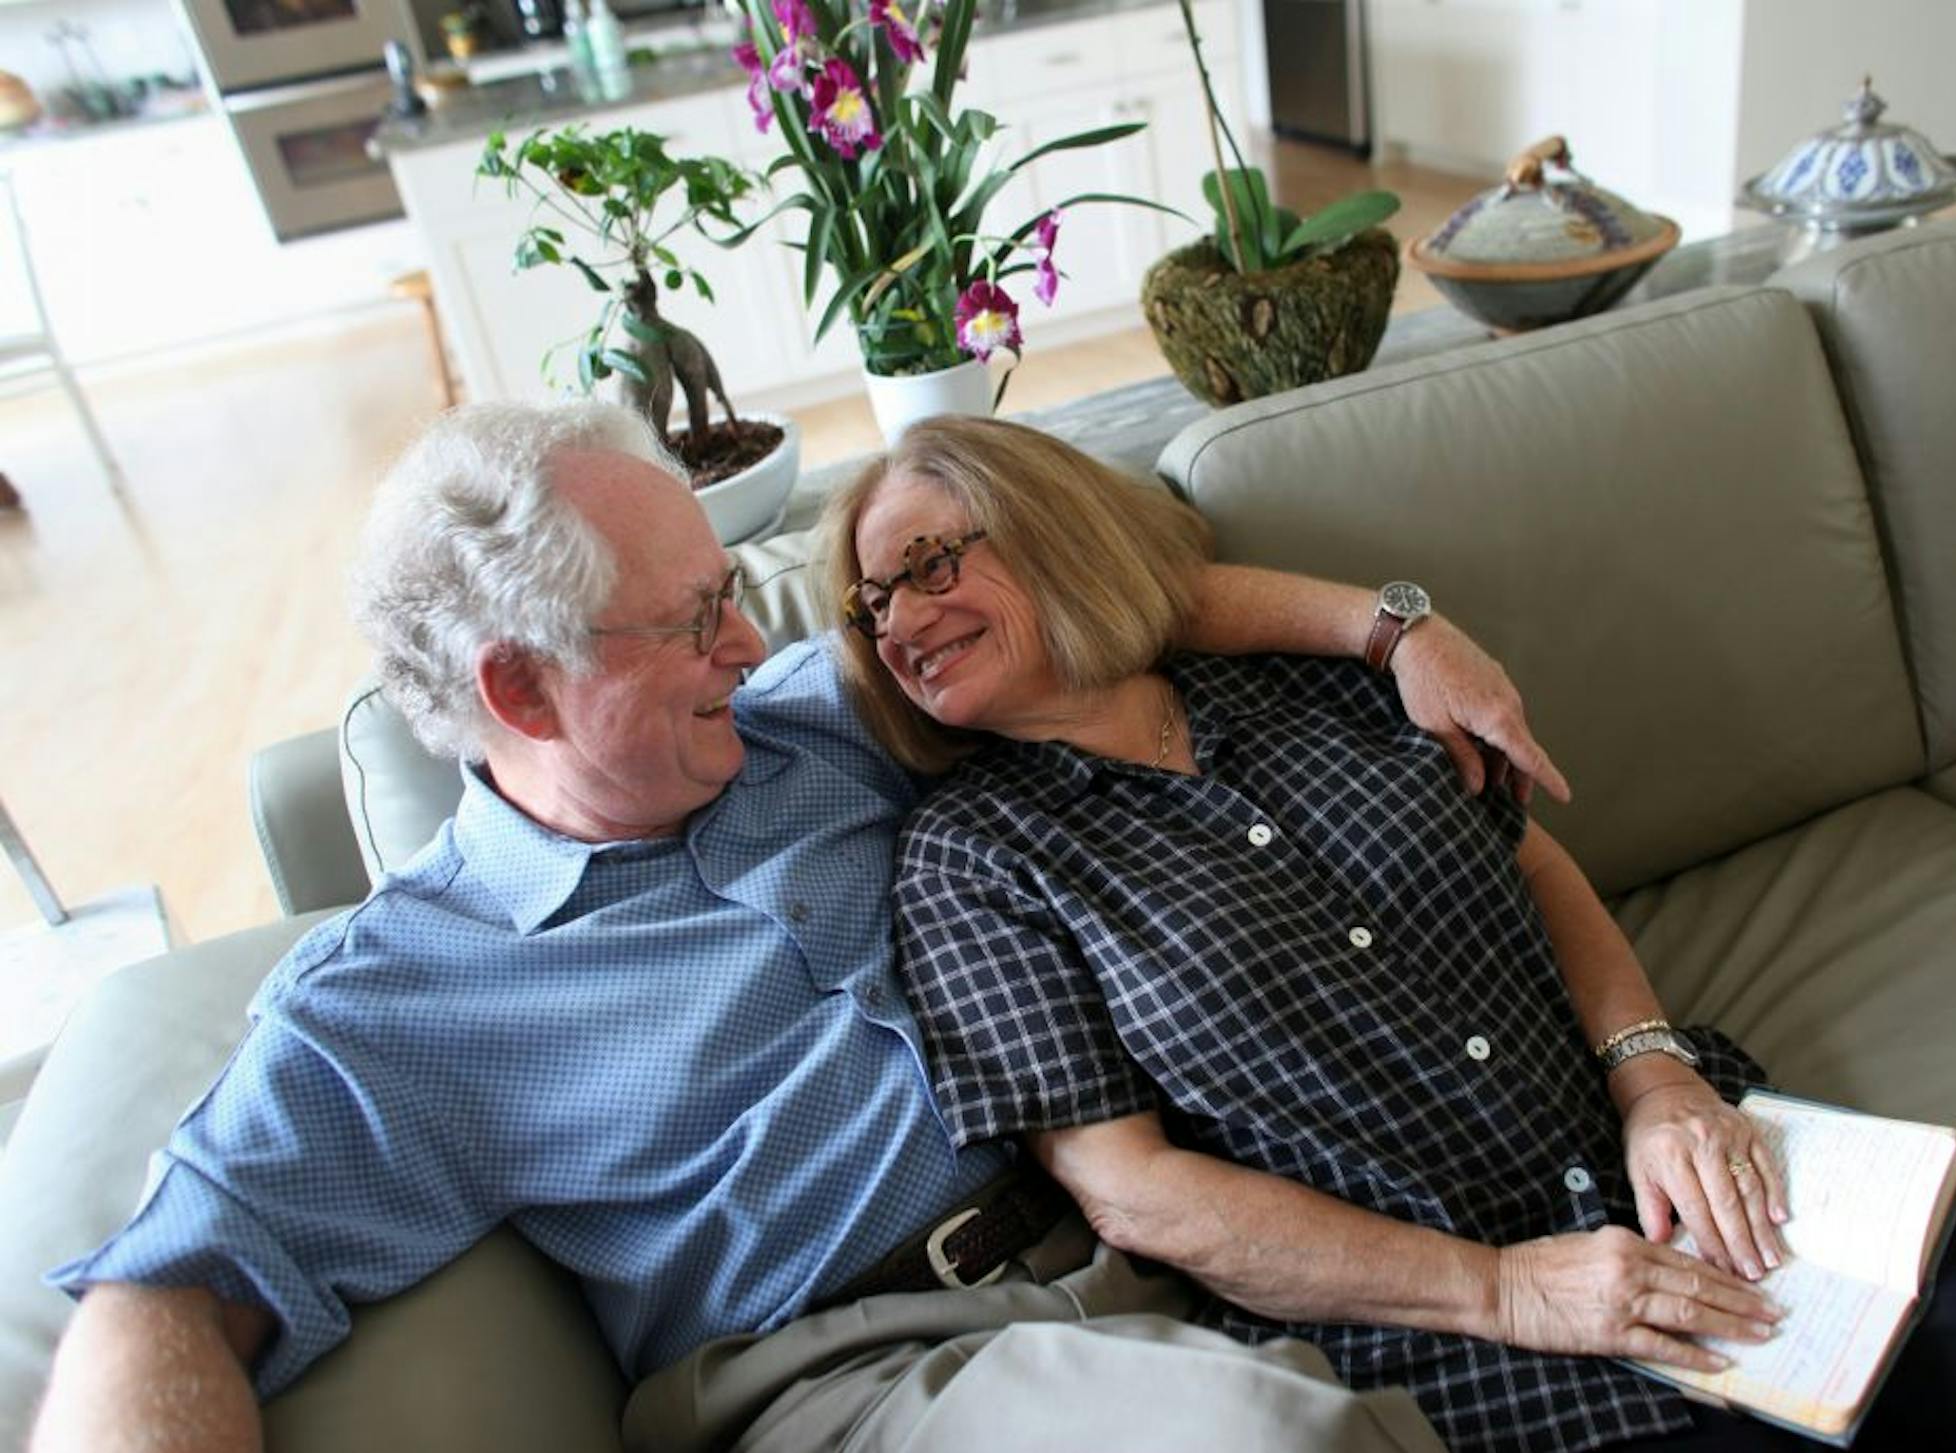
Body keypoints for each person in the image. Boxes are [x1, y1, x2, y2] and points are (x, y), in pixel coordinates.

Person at [30, 400, 1568, 1453]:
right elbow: (160, 1296)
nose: (747, 642)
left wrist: (1392, 630)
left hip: (1137, 1237)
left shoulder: (813, 721)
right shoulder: (403, 999)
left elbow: (1098, 602)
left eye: (730, 593)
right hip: (867, 1372)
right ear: (521, 688)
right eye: (691, 619)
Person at [827, 416, 1956, 1453]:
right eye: (868, 605)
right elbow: (1138, 1194)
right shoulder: (970, 862)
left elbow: (1529, 859)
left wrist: (1655, 1079)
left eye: (930, 566)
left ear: (1055, 532)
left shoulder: (1307, 683)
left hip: (1686, 1182)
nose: (899, 623)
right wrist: (1507, 1291)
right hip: (1471, 1335)